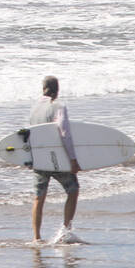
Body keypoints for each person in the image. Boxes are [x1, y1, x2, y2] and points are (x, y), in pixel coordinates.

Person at [29, 75, 82, 243]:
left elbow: (30, 135)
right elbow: (64, 133)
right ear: (57, 90)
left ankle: (36, 238)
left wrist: (31, 159)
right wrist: (73, 160)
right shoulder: (59, 105)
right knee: (73, 190)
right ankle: (65, 232)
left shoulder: (34, 108)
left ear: (42, 89)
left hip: (39, 159)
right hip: (57, 160)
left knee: (39, 197)